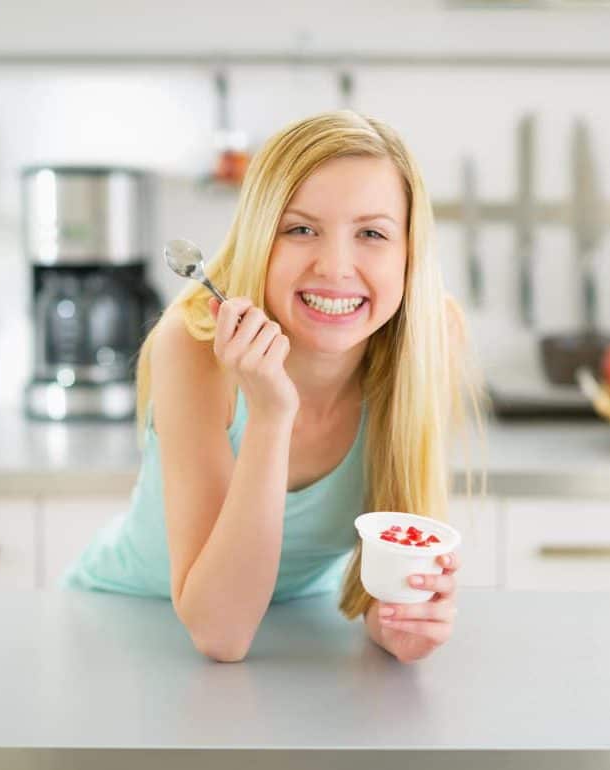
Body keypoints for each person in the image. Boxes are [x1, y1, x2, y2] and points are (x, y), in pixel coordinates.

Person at [61, 109, 485, 664]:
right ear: (260, 238)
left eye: (372, 233)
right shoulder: (193, 345)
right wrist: (269, 414)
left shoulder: (431, 336)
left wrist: (401, 620)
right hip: (125, 623)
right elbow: (221, 634)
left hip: (302, 627)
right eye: (300, 228)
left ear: (409, 252)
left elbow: (386, 584)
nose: (336, 267)